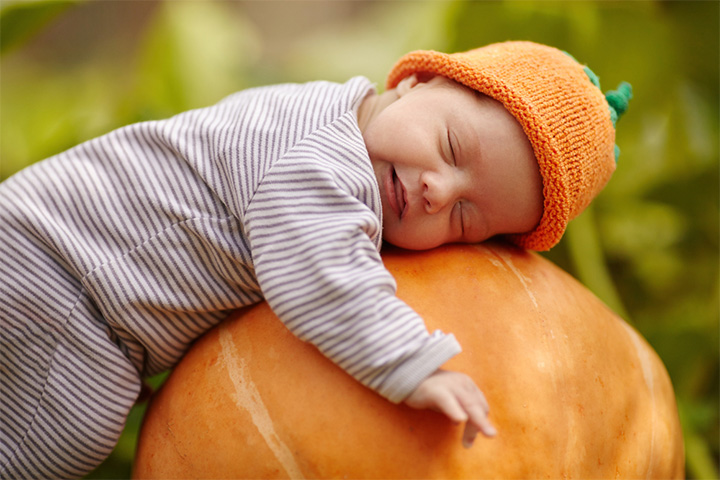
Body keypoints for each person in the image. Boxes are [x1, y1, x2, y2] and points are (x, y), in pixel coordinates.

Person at [0, 41, 631, 478]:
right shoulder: (318, 158)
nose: (440, 189)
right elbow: (321, 274)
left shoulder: (340, 117)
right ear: (414, 82)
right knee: (62, 438)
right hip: (62, 279)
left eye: (466, 218)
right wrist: (410, 363)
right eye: (450, 146)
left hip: (68, 278)